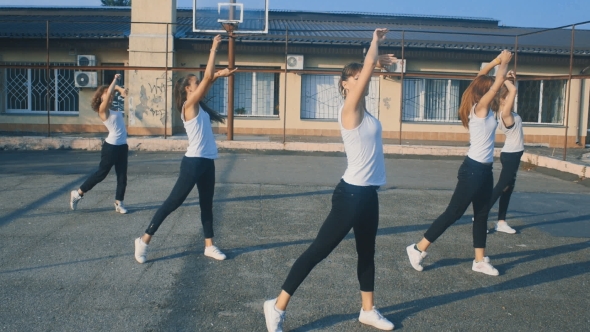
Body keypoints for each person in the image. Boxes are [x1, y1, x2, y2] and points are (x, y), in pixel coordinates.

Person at [263, 28, 396, 332]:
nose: (362, 79)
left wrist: (374, 64)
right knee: (318, 251)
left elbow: (367, 77)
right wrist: (374, 46)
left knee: (367, 252)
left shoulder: (367, 112)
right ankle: (277, 306)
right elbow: (365, 77)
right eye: (357, 76)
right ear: (345, 84)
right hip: (350, 195)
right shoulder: (348, 110)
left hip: (369, 195)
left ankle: (368, 310)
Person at [405, 50, 513, 276]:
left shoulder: (483, 107)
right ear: (485, 92)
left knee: (482, 215)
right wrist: (504, 63)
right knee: (453, 213)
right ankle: (417, 248)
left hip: (484, 170)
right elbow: (494, 84)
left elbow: (481, 78)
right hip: (473, 170)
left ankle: (479, 260)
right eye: (492, 87)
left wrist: (495, 63)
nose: (497, 89)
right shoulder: (480, 109)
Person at [134, 35, 236, 264]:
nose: (199, 84)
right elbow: (208, 77)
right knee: (173, 203)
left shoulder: (197, 103)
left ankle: (209, 246)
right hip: (193, 163)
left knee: (206, 204)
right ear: (188, 90)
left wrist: (217, 76)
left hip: (206, 162)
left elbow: (208, 79)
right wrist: (213, 49)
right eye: (195, 83)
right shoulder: (189, 106)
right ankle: (143, 240)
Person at [69, 74, 129, 214]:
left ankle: (119, 203)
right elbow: (109, 93)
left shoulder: (114, 109)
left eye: (110, 94)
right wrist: (115, 80)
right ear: (101, 98)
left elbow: (111, 92)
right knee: (101, 174)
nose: (110, 96)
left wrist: (119, 90)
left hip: (122, 146)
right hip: (111, 148)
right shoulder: (103, 110)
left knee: (122, 176)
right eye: (106, 95)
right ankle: (78, 193)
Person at [489, 70, 522, 234]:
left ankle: (501, 222)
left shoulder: (506, 112)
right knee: (501, 187)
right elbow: (513, 91)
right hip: (511, 155)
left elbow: (512, 90)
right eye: (508, 97)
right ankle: (480, 215)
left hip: (513, 155)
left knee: (508, 188)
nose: (512, 98)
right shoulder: (505, 114)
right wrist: (504, 79)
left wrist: (510, 79)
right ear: (502, 99)